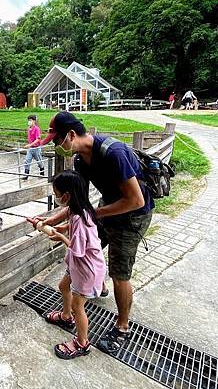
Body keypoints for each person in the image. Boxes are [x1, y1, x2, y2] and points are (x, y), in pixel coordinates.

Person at [32, 111, 153, 355]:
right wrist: (50, 219)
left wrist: (93, 216)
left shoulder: (114, 154)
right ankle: (96, 286)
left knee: (120, 271)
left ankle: (122, 326)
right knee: (91, 251)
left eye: (58, 140)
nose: (57, 146)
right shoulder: (79, 161)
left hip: (131, 215)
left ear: (72, 134)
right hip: (106, 211)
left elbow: (136, 200)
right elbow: (78, 202)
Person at [35, 170, 106, 359]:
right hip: (78, 266)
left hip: (87, 269)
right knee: (63, 286)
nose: (56, 197)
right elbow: (68, 217)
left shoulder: (79, 219)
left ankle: (82, 343)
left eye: (56, 194)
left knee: (78, 306)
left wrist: (59, 236)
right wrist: (61, 226)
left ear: (66, 196)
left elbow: (77, 249)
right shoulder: (80, 209)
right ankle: (66, 318)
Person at [23, 114, 45, 180]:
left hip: (36, 148)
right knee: (27, 160)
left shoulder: (36, 129)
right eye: (28, 120)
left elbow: (38, 139)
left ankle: (42, 173)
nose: (29, 122)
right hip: (30, 149)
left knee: (39, 161)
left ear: (34, 121)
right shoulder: (28, 129)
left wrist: (30, 145)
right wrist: (29, 145)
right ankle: (26, 175)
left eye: (30, 120)